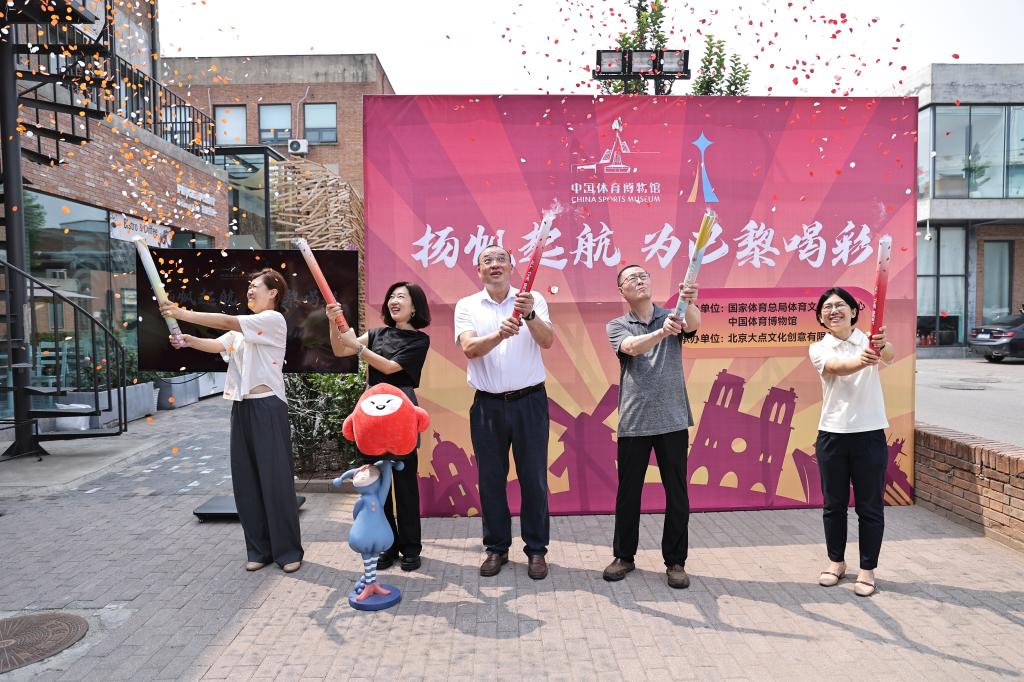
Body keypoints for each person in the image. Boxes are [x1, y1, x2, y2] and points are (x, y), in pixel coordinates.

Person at [161, 268, 303, 573]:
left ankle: (288, 551)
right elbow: (218, 344)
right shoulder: (243, 329)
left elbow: (226, 322)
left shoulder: (272, 320)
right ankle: (259, 550)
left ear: (273, 292)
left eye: (256, 286)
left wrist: (180, 312)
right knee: (246, 480)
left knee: (275, 480)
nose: (250, 290)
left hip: (268, 407)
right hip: (242, 407)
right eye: (249, 285)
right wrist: (188, 340)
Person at [454, 244, 555, 580]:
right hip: (488, 406)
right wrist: (499, 333)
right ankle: (496, 548)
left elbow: (547, 341)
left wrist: (530, 315)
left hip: (530, 403)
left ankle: (536, 549)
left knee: (534, 479)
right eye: (488, 260)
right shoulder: (467, 305)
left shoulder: (532, 299)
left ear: (512, 267)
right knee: (491, 480)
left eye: (501, 259)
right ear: (479, 269)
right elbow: (469, 348)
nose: (495, 264)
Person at [603, 265, 700, 589]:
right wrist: (661, 333)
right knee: (628, 494)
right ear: (621, 291)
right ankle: (624, 556)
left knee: (677, 494)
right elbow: (631, 347)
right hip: (635, 421)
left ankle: (675, 561)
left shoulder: (674, 314)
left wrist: (690, 301)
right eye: (631, 278)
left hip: (672, 419)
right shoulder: (617, 325)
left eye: (643, 275)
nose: (639, 280)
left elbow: (693, 325)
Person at [326, 281, 431, 572]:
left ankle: (411, 549)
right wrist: (333, 322)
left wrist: (357, 347)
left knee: (405, 486)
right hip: (371, 414)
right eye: (391, 296)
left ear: (415, 307)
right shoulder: (376, 334)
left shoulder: (420, 340)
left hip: (401, 415)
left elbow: (389, 367)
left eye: (401, 297)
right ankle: (386, 545)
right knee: (374, 485)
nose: (394, 301)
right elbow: (340, 349)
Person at [809, 287, 895, 597]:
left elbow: (889, 355)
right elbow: (837, 368)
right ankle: (836, 562)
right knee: (833, 506)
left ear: (854, 311)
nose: (833, 310)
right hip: (832, 434)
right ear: (821, 318)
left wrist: (880, 347)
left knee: (869, 507)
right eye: (827, 307)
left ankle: (867, 569)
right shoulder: (819, 348)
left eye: (840, 305)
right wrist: (863, 359)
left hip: (869, 433)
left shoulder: (870, 339)